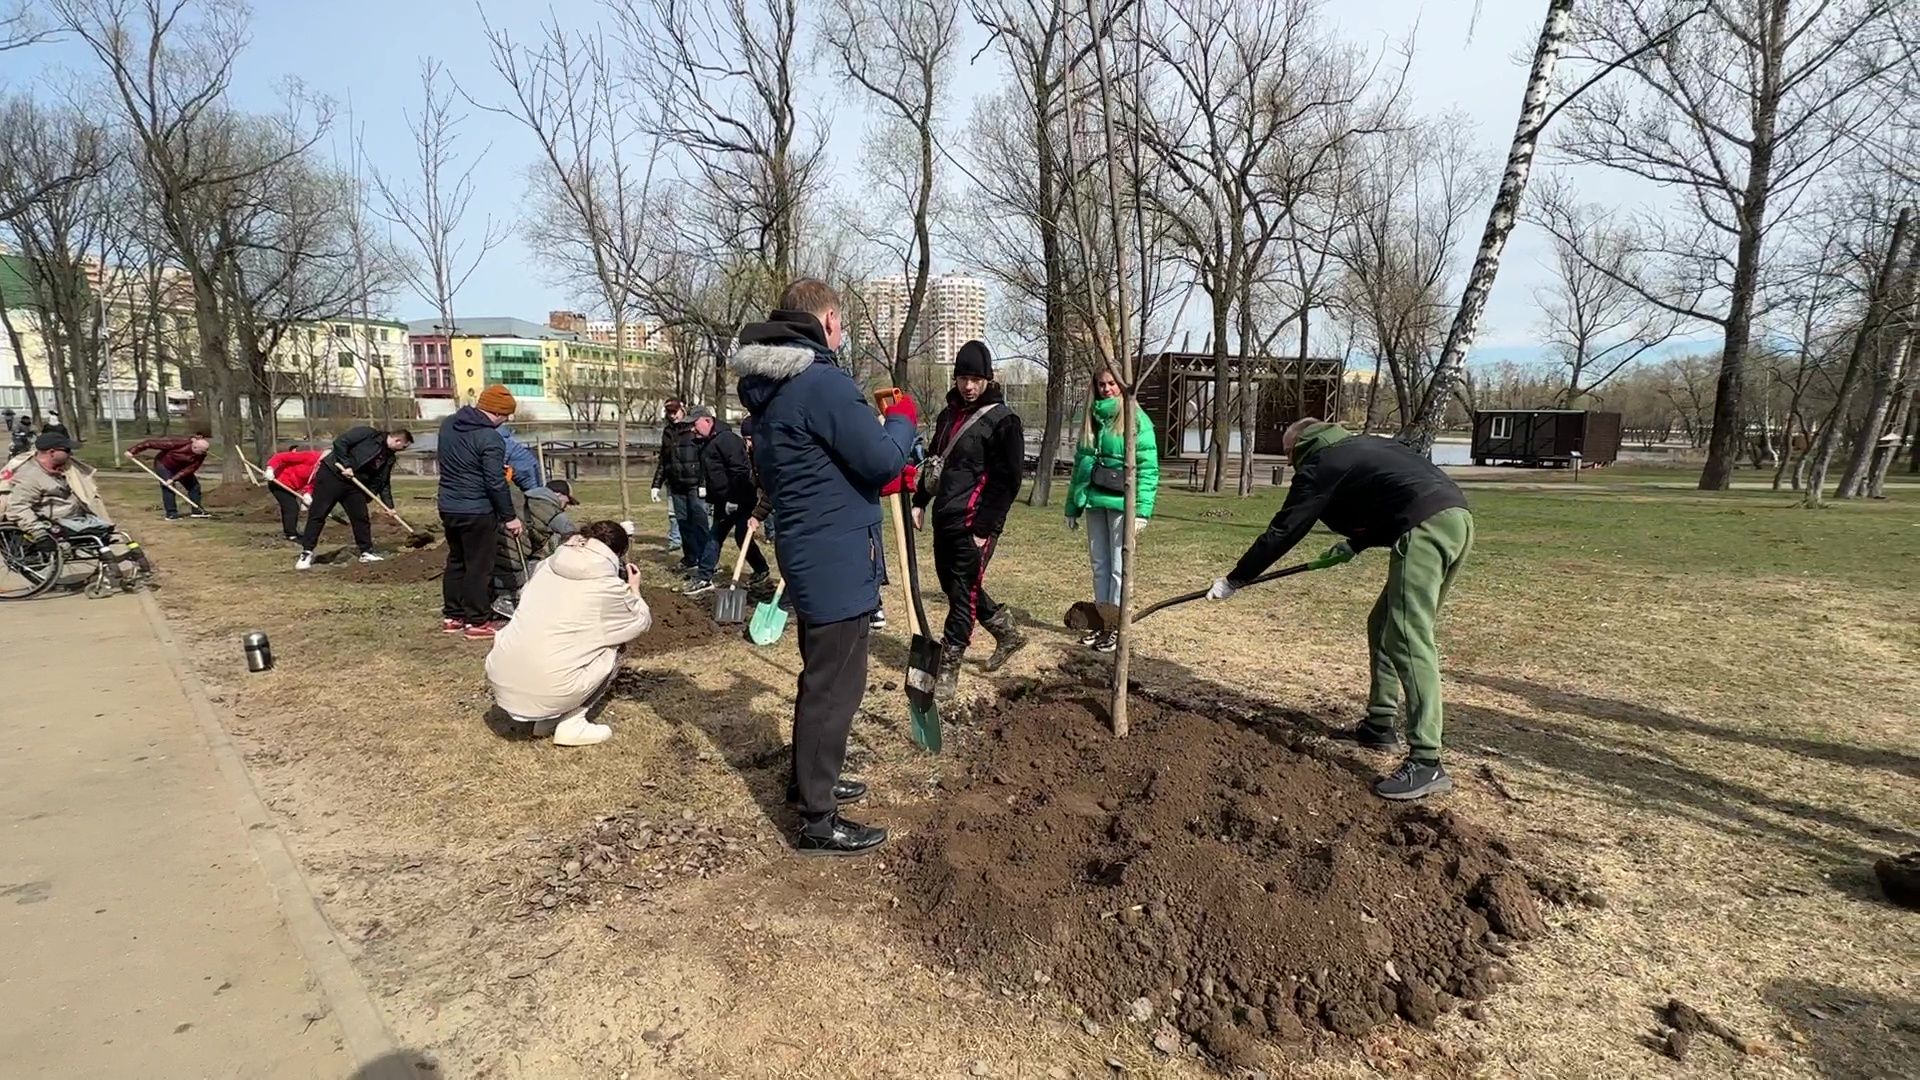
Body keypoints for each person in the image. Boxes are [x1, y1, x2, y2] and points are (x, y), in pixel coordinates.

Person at [734, 278, 918, 856]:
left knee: (822, 675)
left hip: (811, 547)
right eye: (841, 324)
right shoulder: (823, 384)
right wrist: (904, 420)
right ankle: (818, 819)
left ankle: (809, 779)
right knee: (836, 685)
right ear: (829, 320)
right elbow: (882, 459)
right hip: (835, 554)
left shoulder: (775, 386)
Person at [1204, 418, 1474, 801]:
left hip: (1427, 529)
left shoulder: (1321, 463)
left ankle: (1427, 761)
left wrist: (1237, 578)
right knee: (1383, 625)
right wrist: (1356, 544)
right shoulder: (1364, 446)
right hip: (1457, 519)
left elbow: (1287, 528)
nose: (1289, 459)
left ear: (1300, 447)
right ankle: (1379, 725)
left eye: (1287, 453)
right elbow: (1394, 496)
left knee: (1408, 637)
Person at [912, 340, 1027, 699]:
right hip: (946, 515)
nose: (969, 386)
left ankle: (949, 666)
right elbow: (935, 460)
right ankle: (1006, 632)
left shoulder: (1004, 421)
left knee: (962, 592)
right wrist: (920, 501)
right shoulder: (948, 415)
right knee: (955, 585)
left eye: (976, 378)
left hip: (975, 522)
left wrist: (982, 530)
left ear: (988, 379)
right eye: (963, 377)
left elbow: (1008, 480)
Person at [485, 520, 651, 747]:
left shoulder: (547, 565)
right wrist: (634, 589)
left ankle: (549, 718)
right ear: (617, 554)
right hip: (551, 685)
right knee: (616, 645)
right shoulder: (607, 586)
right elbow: (640, 622)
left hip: (502, 675)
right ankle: (572, 724)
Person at [1064, 368, 1160, 653]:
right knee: (1100, 565)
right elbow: (1081, 466)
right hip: (1095, 499)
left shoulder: (1135, 419)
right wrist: (1072, 505)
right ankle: (1100, 621)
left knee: (1119, 567)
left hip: (1121, 503)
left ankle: (1115, 625)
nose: (1106, 389)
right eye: (1101, 384)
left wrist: (1142, 511)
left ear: (1121, 385)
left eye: (1111, 384)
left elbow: (1148, 468)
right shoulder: (1092, 418)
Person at [4, 431, 150, 587]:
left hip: (73, 517)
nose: (70, 453)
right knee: (97, 536)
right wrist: (39, 533)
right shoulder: (30, 477)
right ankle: (112, 567)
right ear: (52, 452)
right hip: (52, 523)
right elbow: (18, 508)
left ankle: (131, 564)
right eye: (66, 450)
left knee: (114, 533)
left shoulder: (66, 469)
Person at [438, 384, 524, 639]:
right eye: (506, 415)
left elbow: (459, 460)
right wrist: (510, 517)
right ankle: (477, 621)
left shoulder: (448, 425)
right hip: (477, 508)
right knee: (479, 566)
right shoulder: (490, 438)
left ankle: (453, 615)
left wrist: (493, 465)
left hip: (449, 505)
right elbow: (495, 483)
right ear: (497, 412)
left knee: (456, 561)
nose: (506, 420)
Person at [294, 426, 414, 570]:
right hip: (332, 475)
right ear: (398, 440)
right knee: (318, 514)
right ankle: (307, 552)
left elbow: (383, 482)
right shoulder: (367, 434)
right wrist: (347, 465)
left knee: (361, 517)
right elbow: (340, 443)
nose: (403, 449)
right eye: (404, 446)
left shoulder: (389, 457)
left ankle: (366, 552)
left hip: (354, 485)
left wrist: (389, 506)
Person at [692, 407, 768, 593]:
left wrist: (734, 500)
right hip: (723, 501)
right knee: (716, 536)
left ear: (708, 421)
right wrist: (705, 487)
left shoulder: (727, 441)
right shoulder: (707, 441)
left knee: (741, 537)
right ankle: (704, 577)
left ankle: (762, 571)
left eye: (695, 425)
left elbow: (741, 473)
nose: (693, 430)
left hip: (741, 500)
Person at [651, 398, 707, 582]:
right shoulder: (668, 432)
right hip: (676, 485)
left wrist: (703, 483)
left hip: (694, 484)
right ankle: (691, 559)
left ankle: (706, 561)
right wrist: (656, 484)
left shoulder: (692, 429)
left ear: (682, 410)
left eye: (675, 411)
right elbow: (664, 461)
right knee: (683, 523)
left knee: (699, 521)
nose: (673, 415)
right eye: (669, 412)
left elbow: (705, 457)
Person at [126, 432, 212, 520]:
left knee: (194, 487)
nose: (204, 453)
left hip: (181, 469)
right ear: (195, 447)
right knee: (169, 487)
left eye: (205, 451)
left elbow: (191, 468)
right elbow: (149, 443)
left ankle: (197, 511)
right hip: (164, 465)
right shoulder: (178, 444)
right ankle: (171, 514)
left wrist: (174, 478)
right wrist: (133, 451)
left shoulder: (201, 454)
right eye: (202, 451)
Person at [263, 445, 323, 542]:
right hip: (279, 482)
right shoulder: (310, 456)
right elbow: (279, 457)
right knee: (291, 508)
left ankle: (291, 532)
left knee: (290, 508)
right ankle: (291, 535)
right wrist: (270, 469)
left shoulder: (322, 470)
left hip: (292, 488)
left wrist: (307, 494)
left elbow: (311, 483)